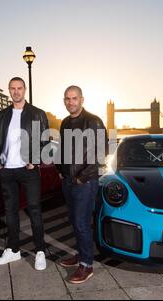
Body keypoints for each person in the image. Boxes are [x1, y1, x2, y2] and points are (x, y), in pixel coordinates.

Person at [0, 77, 49, 271]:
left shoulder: (37, 113)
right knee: (10, 212)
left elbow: (45, 141)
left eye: (19, 88)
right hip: (7, 169)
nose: (16, 91)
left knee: (34, 209)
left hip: (28, 169)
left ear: (24, 90)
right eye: (12, 88)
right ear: (9, 90)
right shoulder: (2, 115)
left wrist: (35, 160)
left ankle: (40, 251)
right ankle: (13, 249)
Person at [56, 85, 108, 284]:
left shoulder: (93, 121)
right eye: (67, 98)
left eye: (74, 98)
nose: (71, 102)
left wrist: (82, 177)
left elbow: (101, 152)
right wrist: (60, 171)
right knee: (74, 221)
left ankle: (87, 265)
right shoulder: (65, 123)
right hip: (68, 180)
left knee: (81, 222)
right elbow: (62, 148)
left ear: (82, 99)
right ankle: (80, 254)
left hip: (84, 182)